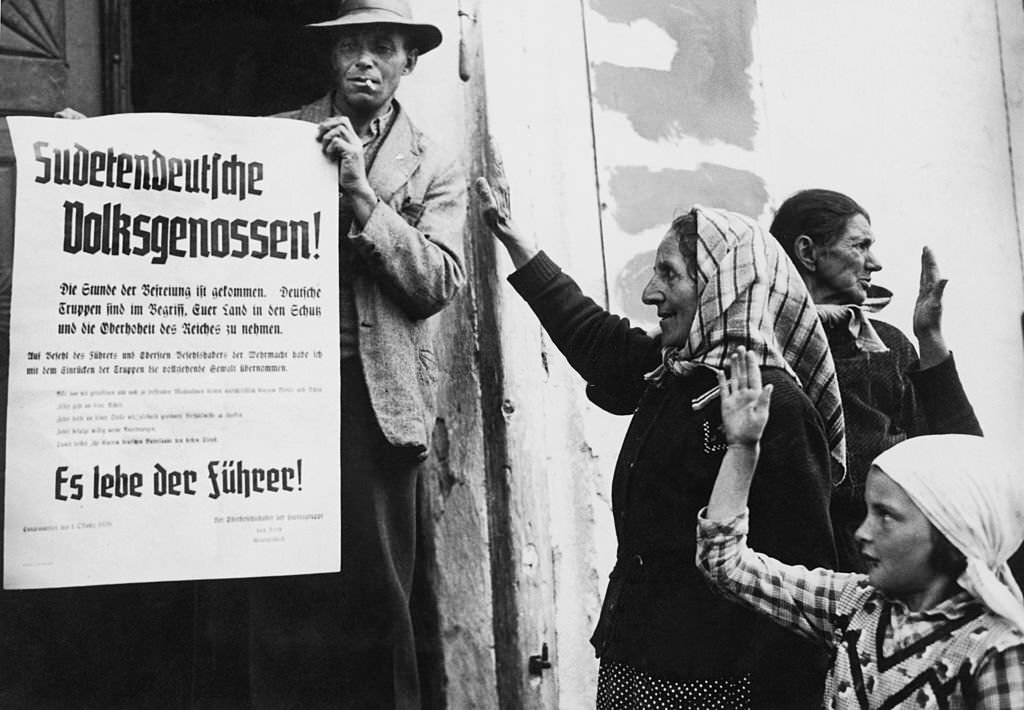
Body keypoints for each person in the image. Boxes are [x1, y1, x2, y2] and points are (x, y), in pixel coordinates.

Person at [478, 178, 844, 708]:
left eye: (669, 274)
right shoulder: (674, 373)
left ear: (724, 285)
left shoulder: (772, 405)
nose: (651, 293)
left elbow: (801, 587)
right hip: (636, 664)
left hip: (717, 685)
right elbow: (596, 339)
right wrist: (519, 246)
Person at [247, 2, 466, 708]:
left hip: (376, 404)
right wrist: (97, 153)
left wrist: (366, 200)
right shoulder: (282, 138)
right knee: (282, 582)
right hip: (282, 394)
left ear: (408, 63)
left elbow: (437, 282)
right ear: (330, 60)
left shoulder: (432, 161)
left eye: (382, 47)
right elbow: (197, 171)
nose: (364, 61)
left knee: (378, 591)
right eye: (350, 48)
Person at [699, 347, 1024, 709]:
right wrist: (742, 449)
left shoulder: (997, 650)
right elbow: (725, 565)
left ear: (953, 530)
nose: (862, 533)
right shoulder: (855, 604)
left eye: (886, 515)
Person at [769, 189, 981, 571]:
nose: (876, 263)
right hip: (794, 579)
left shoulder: (887, 348)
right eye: (860, 245)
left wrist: (929, 336)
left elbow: (960, 459)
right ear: (807, 252)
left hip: (880, 573)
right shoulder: (763, 351)